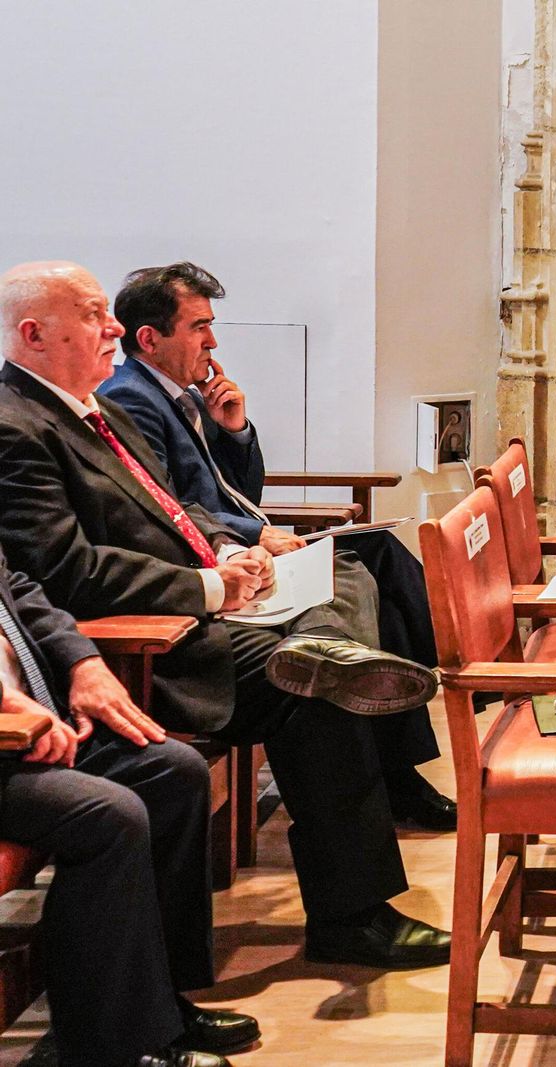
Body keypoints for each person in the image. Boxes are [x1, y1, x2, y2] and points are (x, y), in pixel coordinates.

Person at [0, 261, 452, 968]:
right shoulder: (16, 426)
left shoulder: (97, 407)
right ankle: (352, 912)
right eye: (92, 314)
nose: (113, 326)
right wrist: (208, 586)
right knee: (317, 680)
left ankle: (353, 907)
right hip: (143, 653)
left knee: (325, 652)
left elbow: (178, 506)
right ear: (32, 333)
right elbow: (67, 571)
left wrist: (221, 549)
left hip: (191, 617)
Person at [98, 263, 456, 831]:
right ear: (150, 338)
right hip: (217, 564)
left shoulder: (184, 395)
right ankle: (427, 701)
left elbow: (239, 490)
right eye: (198, 327)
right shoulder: (130, 399)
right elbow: (166, 509)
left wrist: (234, 428)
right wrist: (253, 536)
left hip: (239, 545)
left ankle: (405, 732)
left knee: (378, 554)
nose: (212, 340)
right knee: (363, 574)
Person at [0, 546, 257, 1067]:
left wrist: (82, 660)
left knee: (174, 773)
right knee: (108, 816)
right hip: (7, 742)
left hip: (37, 727)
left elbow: (18, 590)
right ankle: (106, 1048)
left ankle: (157, 1008)